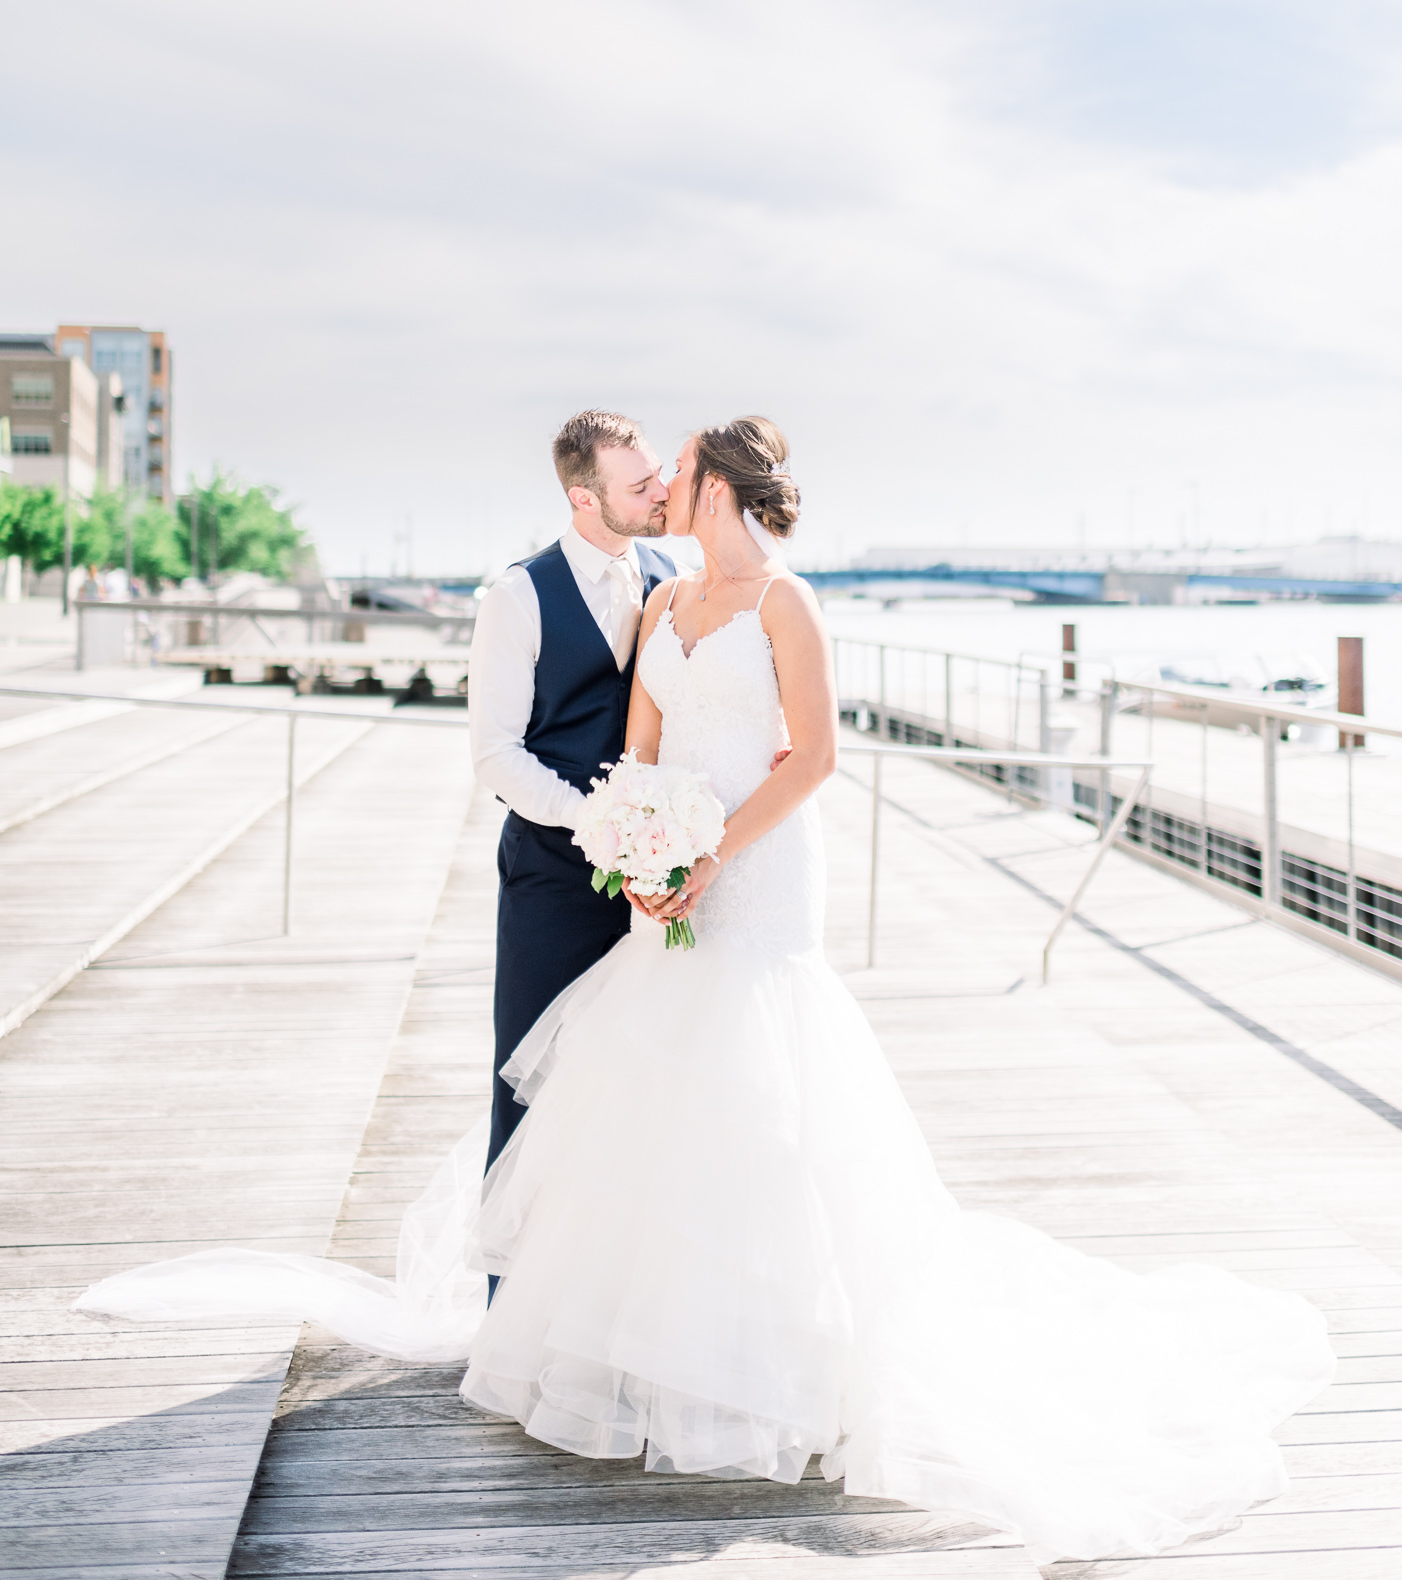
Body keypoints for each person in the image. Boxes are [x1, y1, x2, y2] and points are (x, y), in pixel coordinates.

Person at [76, 414, 1334, 1567]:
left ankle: (788, 1358)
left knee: (773, 1089)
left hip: (764, 868)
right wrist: (640, 853)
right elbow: (637, 751)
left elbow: (818, 756)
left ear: (723, 488)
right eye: (648, 473)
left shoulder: (787, 604)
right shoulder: (664, 608)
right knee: (655, 1091)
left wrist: (709, 849)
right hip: (670, 870)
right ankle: (641, 1352)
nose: (665, 486)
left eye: (680, 472)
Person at [468, 409, 675, 1170]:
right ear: (585, 498)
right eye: (641, 482)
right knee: (529, 1077)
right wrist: (596, 824)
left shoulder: (669, 581)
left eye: (655, 472)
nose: (661, 490)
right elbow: (494, 754)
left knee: (642, 1075)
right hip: (551, 875)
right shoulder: (518, 596)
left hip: (654, 880)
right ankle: (508, 1288)